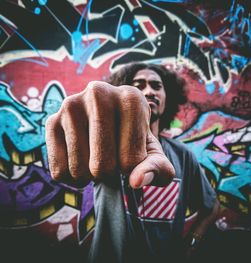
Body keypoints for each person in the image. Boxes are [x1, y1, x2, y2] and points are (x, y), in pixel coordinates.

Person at [45, 62, 220, 262]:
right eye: (139, 85)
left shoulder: (183, 156)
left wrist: (192, 243)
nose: (149, 91)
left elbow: (211, 206)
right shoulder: (106, 144)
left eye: (157, 86)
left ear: (167, 97)